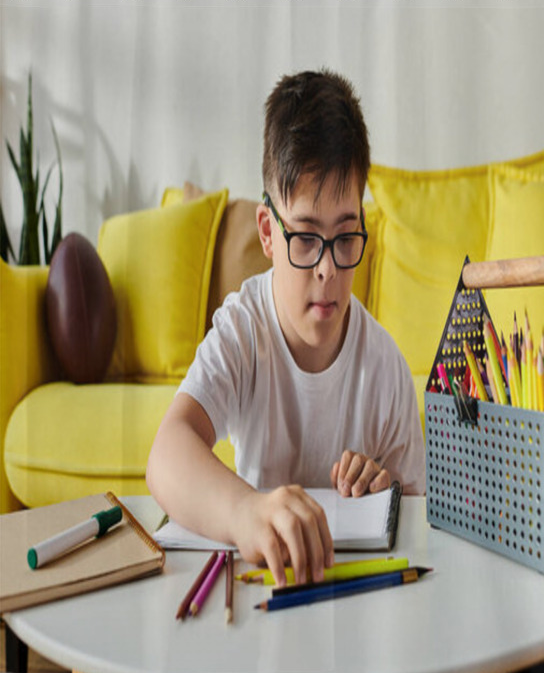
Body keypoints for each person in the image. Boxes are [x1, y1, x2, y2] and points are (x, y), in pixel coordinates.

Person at [147, 69, 424, 587]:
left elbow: (416, 538)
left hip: (353, 600)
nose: (328, 270)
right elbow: (166, 454)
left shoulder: (385, 368)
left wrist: (385, 496)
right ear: (268, 232)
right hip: (262, 591)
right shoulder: (244, 328)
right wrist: (245, 512)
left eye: (346, 238)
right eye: (304, 238)